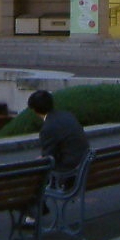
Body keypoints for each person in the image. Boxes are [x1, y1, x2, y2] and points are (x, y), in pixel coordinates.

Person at [23, 90, 89, 228]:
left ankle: (34, 211)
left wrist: (40, 159)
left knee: (34, 174)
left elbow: (48, 159)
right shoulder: (67, 116)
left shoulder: (48, 128)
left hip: (68, 171)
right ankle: (37, 209)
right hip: (84, 165)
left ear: (35, 110)